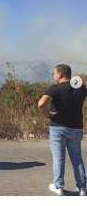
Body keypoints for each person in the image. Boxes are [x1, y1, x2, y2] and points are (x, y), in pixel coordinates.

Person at [38, 64, 86, 196]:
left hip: (58, 127)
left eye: (54, 73)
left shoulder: (54, 88)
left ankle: (59, 187)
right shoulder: (81, 87)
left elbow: (41, 103)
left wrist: (47, 114)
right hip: (76, 127)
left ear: (60, 74)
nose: (54, 76)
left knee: (59, 157)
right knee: (77, 158)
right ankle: (82, 188)